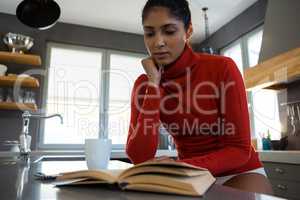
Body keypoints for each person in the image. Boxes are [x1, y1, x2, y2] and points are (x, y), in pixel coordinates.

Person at [126, 0, 273, 195]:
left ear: (188, 31)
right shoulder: (144, 84)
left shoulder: (223, 68)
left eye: (169, 31)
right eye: (150, 33)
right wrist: (153, 85)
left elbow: (239, 150)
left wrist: (179, 167)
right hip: (189, 176)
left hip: (237, 172)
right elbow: (139, 156)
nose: (158, 42)